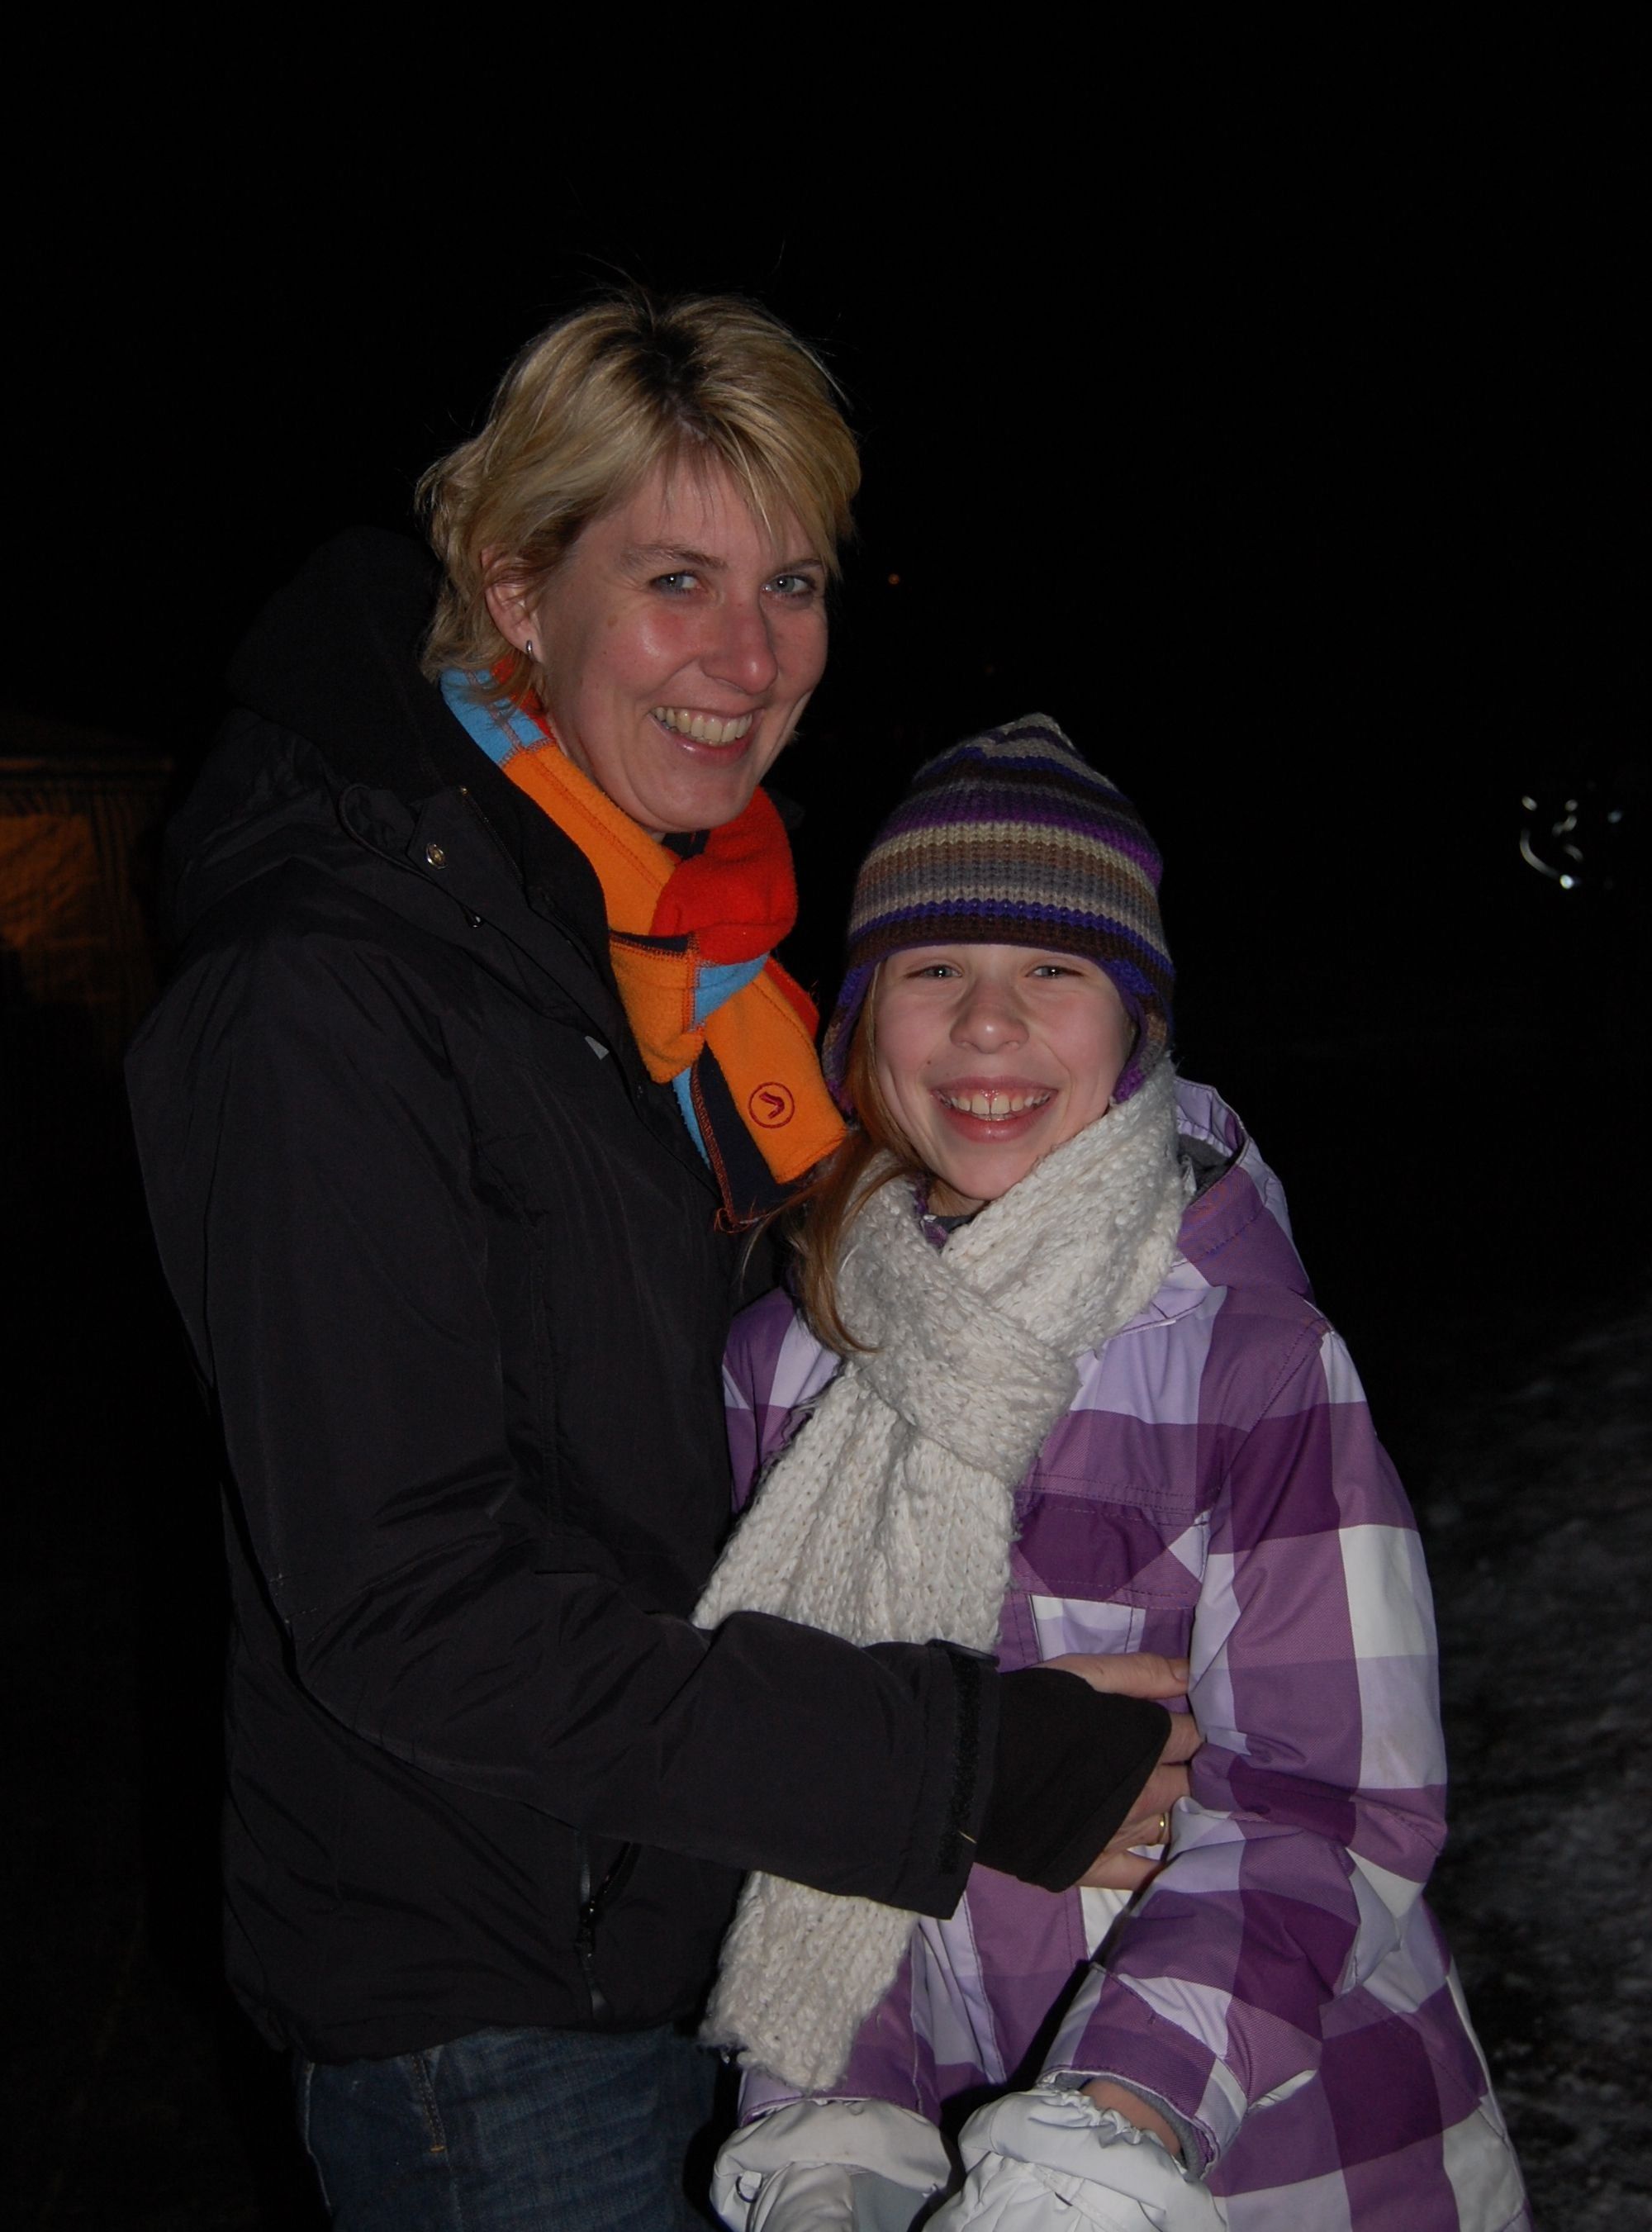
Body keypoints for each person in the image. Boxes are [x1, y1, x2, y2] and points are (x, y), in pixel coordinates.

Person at [125, 300, 1193, 2232]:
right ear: (516, 592)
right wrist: (958, 1765)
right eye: (674, 578)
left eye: (790, 582)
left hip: (722, 1930)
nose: (750, 657)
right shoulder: (330, 997)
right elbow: (405, 1604)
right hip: (505, 2012)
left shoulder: (677, 971)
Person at [705, 715, 1530, 2230]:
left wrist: (1111, 2125)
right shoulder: (790, 1364)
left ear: (1137, 1027)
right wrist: (828, 2123)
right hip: (940, 2121)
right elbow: (806, 1780)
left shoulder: (1251, 1360)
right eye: (934, 968)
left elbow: (1328, 1802)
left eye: (1054, 970)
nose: (989, 1025)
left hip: (1287, 2146)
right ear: (860, 1029)